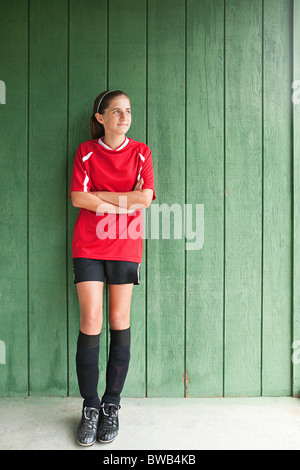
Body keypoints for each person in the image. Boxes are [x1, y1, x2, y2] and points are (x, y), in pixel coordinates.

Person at [69, 90, 156, 446]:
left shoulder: (141, 153)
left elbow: (146, 198)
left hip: (125, 245)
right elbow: (77, 198)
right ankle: (90, 408)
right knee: (91, 319)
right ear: (100, 117)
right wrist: (124, 204)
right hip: (89, 244)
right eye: (116, 111)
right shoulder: (85, 152)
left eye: (128, 111)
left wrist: (101, 198)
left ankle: (111, 405)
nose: (124, 116)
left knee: (119, 319)